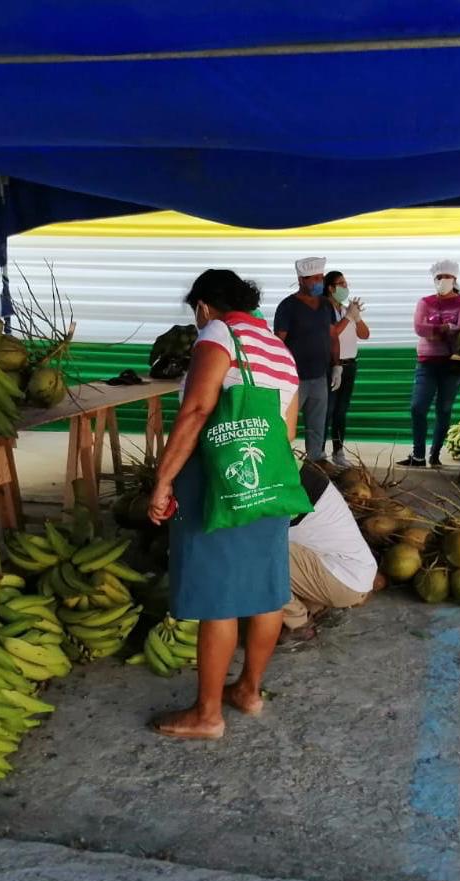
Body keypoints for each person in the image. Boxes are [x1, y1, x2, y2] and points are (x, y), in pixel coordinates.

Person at [147, 269, 300, 740]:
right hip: (271, 481)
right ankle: (249, 691)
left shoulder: (217, 334)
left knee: (219, 598)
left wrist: (164, 480)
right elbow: (287, 432)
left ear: (204, 307)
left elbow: (196, 411)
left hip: (220, 482)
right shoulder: (278, 347)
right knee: (267, 590)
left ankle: (207, 714)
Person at [283, 461, 379, 641]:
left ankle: (297, 624)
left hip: (343, 579)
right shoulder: (291, 467)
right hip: (352, 574)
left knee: (256, 556)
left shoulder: (280, 480)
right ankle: (318, 606)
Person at [400, 259, 460, 468]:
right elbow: (419, 328)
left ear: (455, 279)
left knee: (444, 408)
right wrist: (446, 328)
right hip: (426, 362)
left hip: (452, 363)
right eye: (439, 277)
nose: (443, 280)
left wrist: (439, 329)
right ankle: (418, 455)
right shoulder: (425, 302)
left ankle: (435, 454)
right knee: (418, 407)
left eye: (447, 277)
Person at [275, 256, 339, 462]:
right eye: (314, 279)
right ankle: (281, 464)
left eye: (321, 277)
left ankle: (315, 464)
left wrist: (336, 365)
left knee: (317, 426)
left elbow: (332, 335)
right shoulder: (287, 306)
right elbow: (279, 342)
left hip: (320, 375)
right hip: (294, 379)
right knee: (284, 425)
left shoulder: (326, 305)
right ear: (301, 279)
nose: (319, 282)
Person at [324, 270, 371, 468]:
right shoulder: (323, 310)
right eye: (341, 284)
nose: (345, 287)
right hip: (332, 366)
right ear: (330, 288)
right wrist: (348, 317)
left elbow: (365, 334)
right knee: (327, 410)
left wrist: (356, 317)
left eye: (346, 284)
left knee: (341, 412)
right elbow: (332, 333)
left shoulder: (346, 310)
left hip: (350, 365)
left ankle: (338, 451)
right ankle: (317, 451)